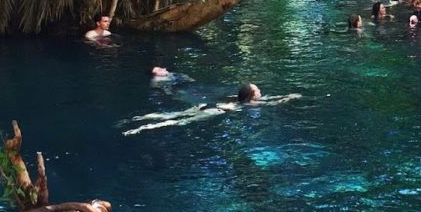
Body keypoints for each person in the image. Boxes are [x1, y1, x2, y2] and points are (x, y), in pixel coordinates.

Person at [123, 84, 297, 135]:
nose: (260, 91)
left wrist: (286, 95)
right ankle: (144, 127)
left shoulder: (236, 98)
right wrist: (290, 98)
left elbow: (269, 99)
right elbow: (273, 103)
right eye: (257, 90)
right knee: (179, 122)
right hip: (214, 111)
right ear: (252, 95)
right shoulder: (251, 104)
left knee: (172, 114)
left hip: (207, 106)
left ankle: (140, 118)